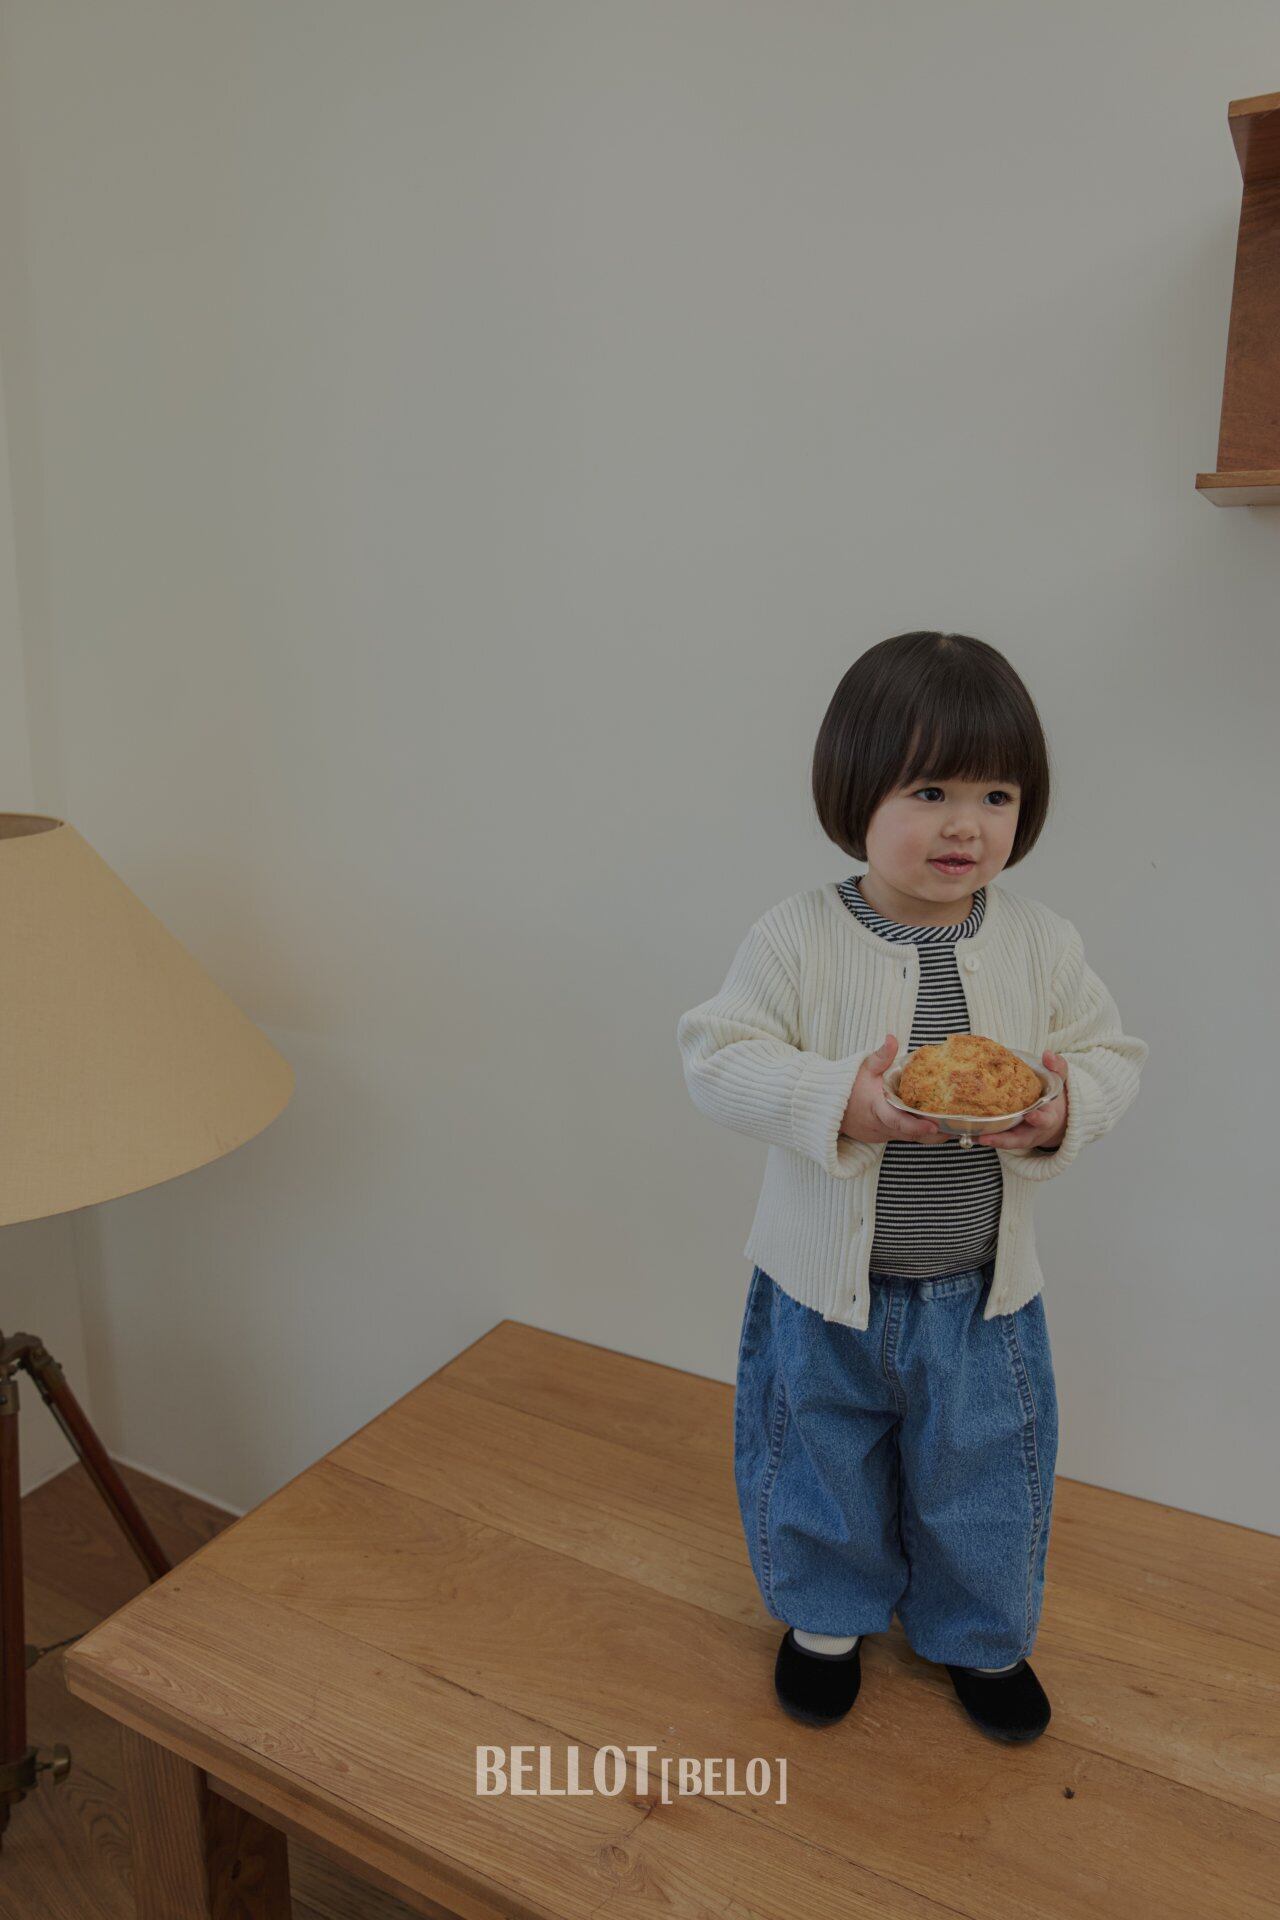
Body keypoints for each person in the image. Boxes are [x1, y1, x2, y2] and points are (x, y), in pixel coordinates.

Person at [675, 630, 1148, 1744]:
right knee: (816, 1459)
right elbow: (716, 1055)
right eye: (930, 791)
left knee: (984, 1475)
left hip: (979, 1294)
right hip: (819, 1292)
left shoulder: (1038, 941)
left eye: (996, 795)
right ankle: (824, 1621)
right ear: (855, 792)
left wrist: (1064, 1104)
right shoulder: (796, 936)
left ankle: (977, 1635)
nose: (964, 825)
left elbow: (1110, 1053)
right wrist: (834, 1098)